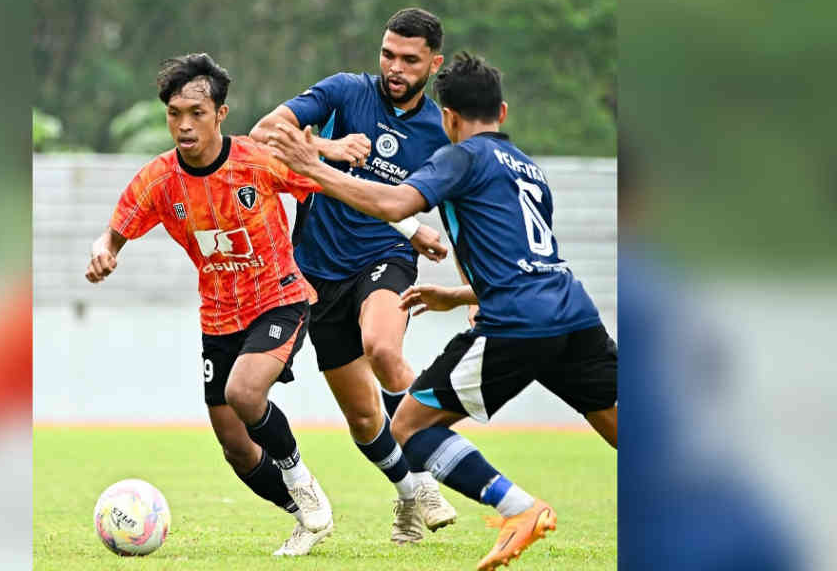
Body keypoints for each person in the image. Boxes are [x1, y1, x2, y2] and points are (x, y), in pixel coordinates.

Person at [265, 52, 618, 569]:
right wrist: (459, 296)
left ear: (448, 117)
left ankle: (518, 509)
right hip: (575, 314)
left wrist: (313, 166)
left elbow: (393, 205)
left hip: (519, 322)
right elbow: (527, 260)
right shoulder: (529, 169)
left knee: (408, 427)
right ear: (502, 111)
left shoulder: (461, 156)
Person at [85, 53, 333, 557]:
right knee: (235, 446)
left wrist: (400, 227)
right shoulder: (159, 180)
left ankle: (302, 482)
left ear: (220, 113)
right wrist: (104, 250)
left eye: (196, 113)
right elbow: (115, 231)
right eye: (174, 113)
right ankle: (306, 516)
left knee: (245, 391)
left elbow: (324, 186)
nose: (184, 125)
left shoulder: (257, 161)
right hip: (218, 316)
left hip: (279, 298)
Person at [250, 8, 456, 543]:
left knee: (382, 348)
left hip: (385, 257)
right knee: (364, 420)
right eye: (388, 54)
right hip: (316, 271)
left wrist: (421, 239)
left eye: (409, 60)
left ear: (433, 65)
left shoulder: (441, 131)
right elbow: (262, 133)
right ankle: (409, 495)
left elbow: (442, 206)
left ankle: (428, 476)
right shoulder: (345, 91)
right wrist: (328, 147)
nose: (395, 67)